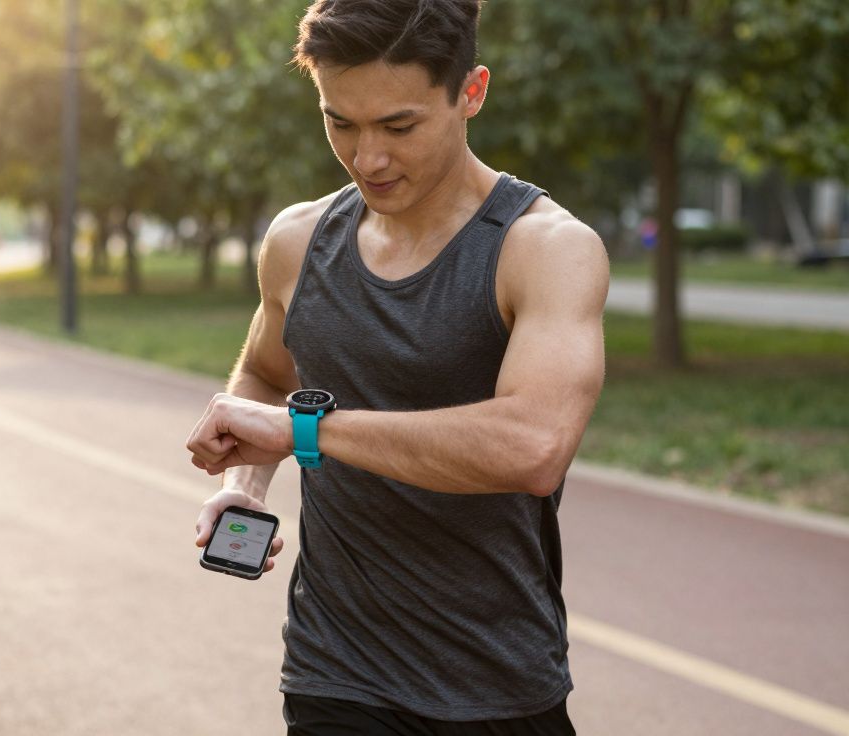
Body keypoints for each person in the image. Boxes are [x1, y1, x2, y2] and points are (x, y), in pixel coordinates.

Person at [185, 1, 609, 734]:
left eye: (399, 126)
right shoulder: (298, 241)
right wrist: (245, 485)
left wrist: (303, 434)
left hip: (497, 685)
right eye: (339, 122)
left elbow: (534, 447)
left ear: (471, 92)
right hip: (335, 676)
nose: (367, 158)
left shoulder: (544, 249)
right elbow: (263, 373)